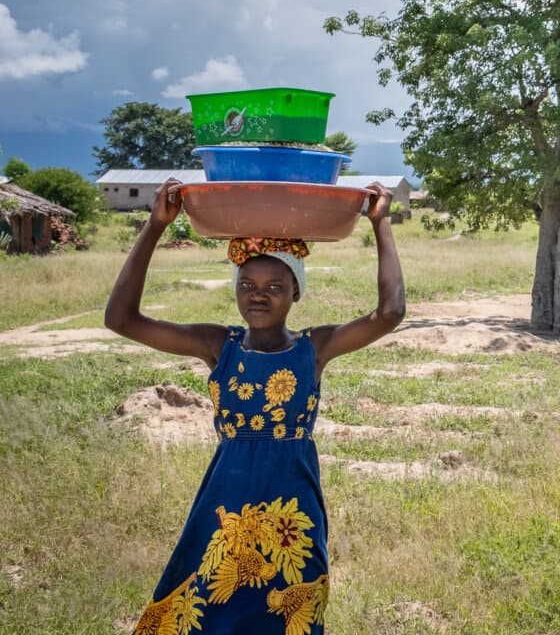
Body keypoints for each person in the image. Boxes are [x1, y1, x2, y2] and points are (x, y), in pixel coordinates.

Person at [105, 179, 405, 634]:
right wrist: (153, 226)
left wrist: (381, 223)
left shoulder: (315, 348)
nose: (258, 295)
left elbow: (390, 314)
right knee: (209, 609)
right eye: (247, 284)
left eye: (274, 286)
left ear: (295, 292)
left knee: (288, 611)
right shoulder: (217, 345)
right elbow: (121, 320)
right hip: (225, 503)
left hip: (292, 510)